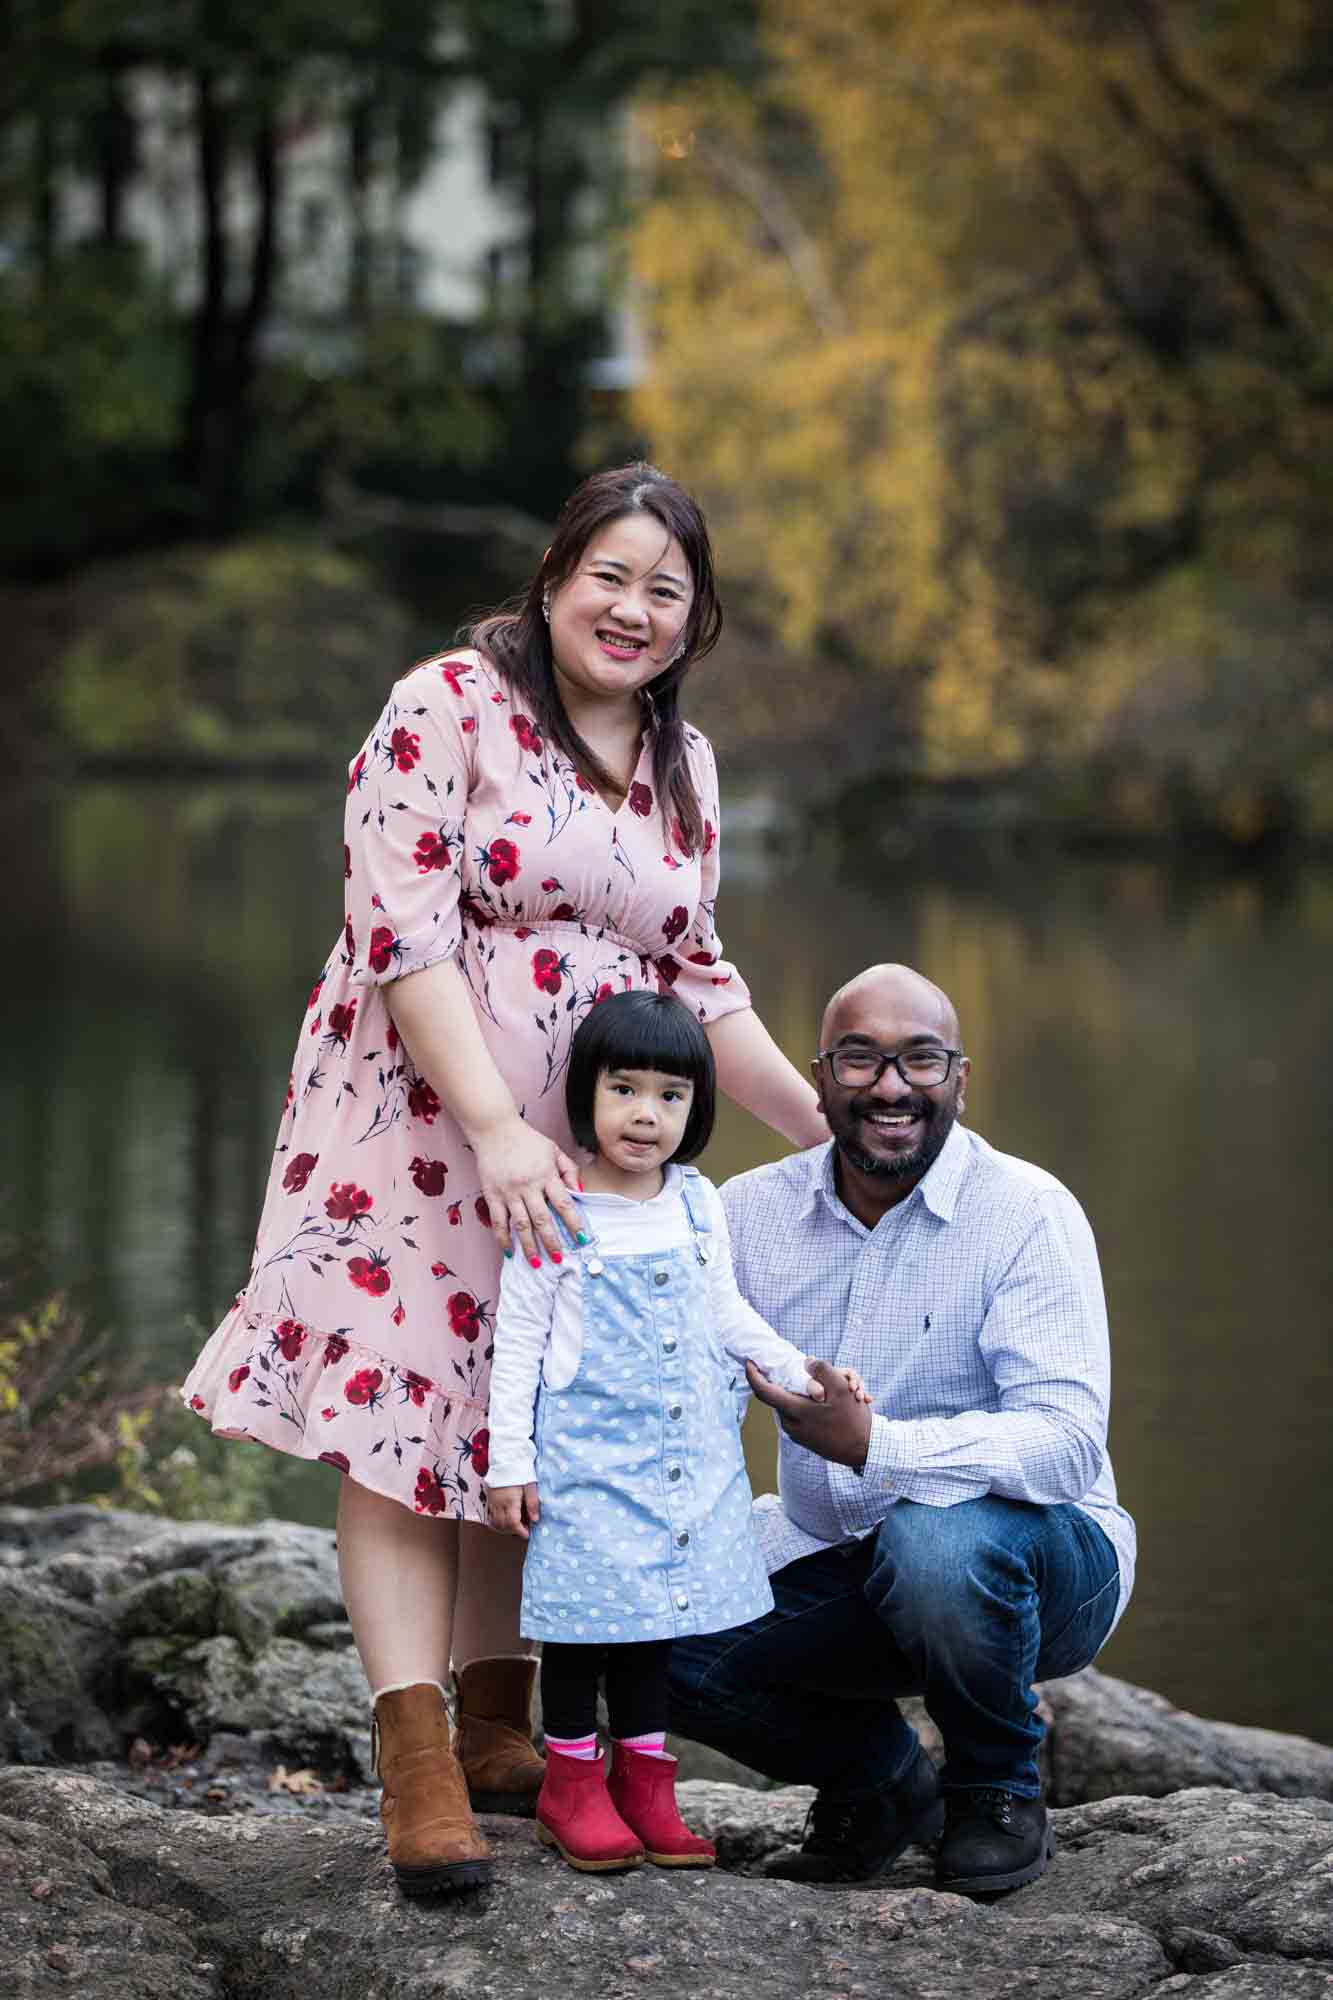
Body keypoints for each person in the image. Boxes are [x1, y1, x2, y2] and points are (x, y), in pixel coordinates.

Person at [179, 463, 828, 1895]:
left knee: (523, 1418)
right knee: (409, 1427)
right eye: (611, 574)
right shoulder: (447, 705)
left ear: (693, 620)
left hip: (586, 1169)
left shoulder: (686, 768)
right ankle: (415, 1766)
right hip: (418, 1129)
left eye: (667, 589)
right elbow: (398, 931)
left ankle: (497, 1730)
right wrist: (489, 1123)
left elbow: (695, 979)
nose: (634, 608)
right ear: (553, 578)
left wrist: (823, 1129)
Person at [668, 962, 1136, 1898]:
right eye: (860, 1059)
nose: (890, 1086)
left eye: (920, 1061)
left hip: (1041, 1566)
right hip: (835, 1554)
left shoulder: (1027, 1214)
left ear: (959, 1079)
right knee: (642, 1640)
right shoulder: (745, 1215)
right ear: (821, 1076)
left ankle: (995, 1788)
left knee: (934, 1539)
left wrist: (877, 1447)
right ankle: (881, 1783)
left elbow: (1065, 1440)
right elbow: (685, 1392)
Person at [485, 990, 868, 1874]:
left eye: (670, 1095)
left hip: (682, 1465)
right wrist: (510, 1463)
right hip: (585, 1468)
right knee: (585, 1633)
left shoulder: (697, 1206)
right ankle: (571, 1785)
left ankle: (645, 1786)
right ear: (587, 1095)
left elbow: (725, 1310)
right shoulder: (556, 1208)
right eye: (623, 1090)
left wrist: (800, 1368)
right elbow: (519, 1349)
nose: (645, 1115)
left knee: (657, 1632)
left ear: (695, 1108)